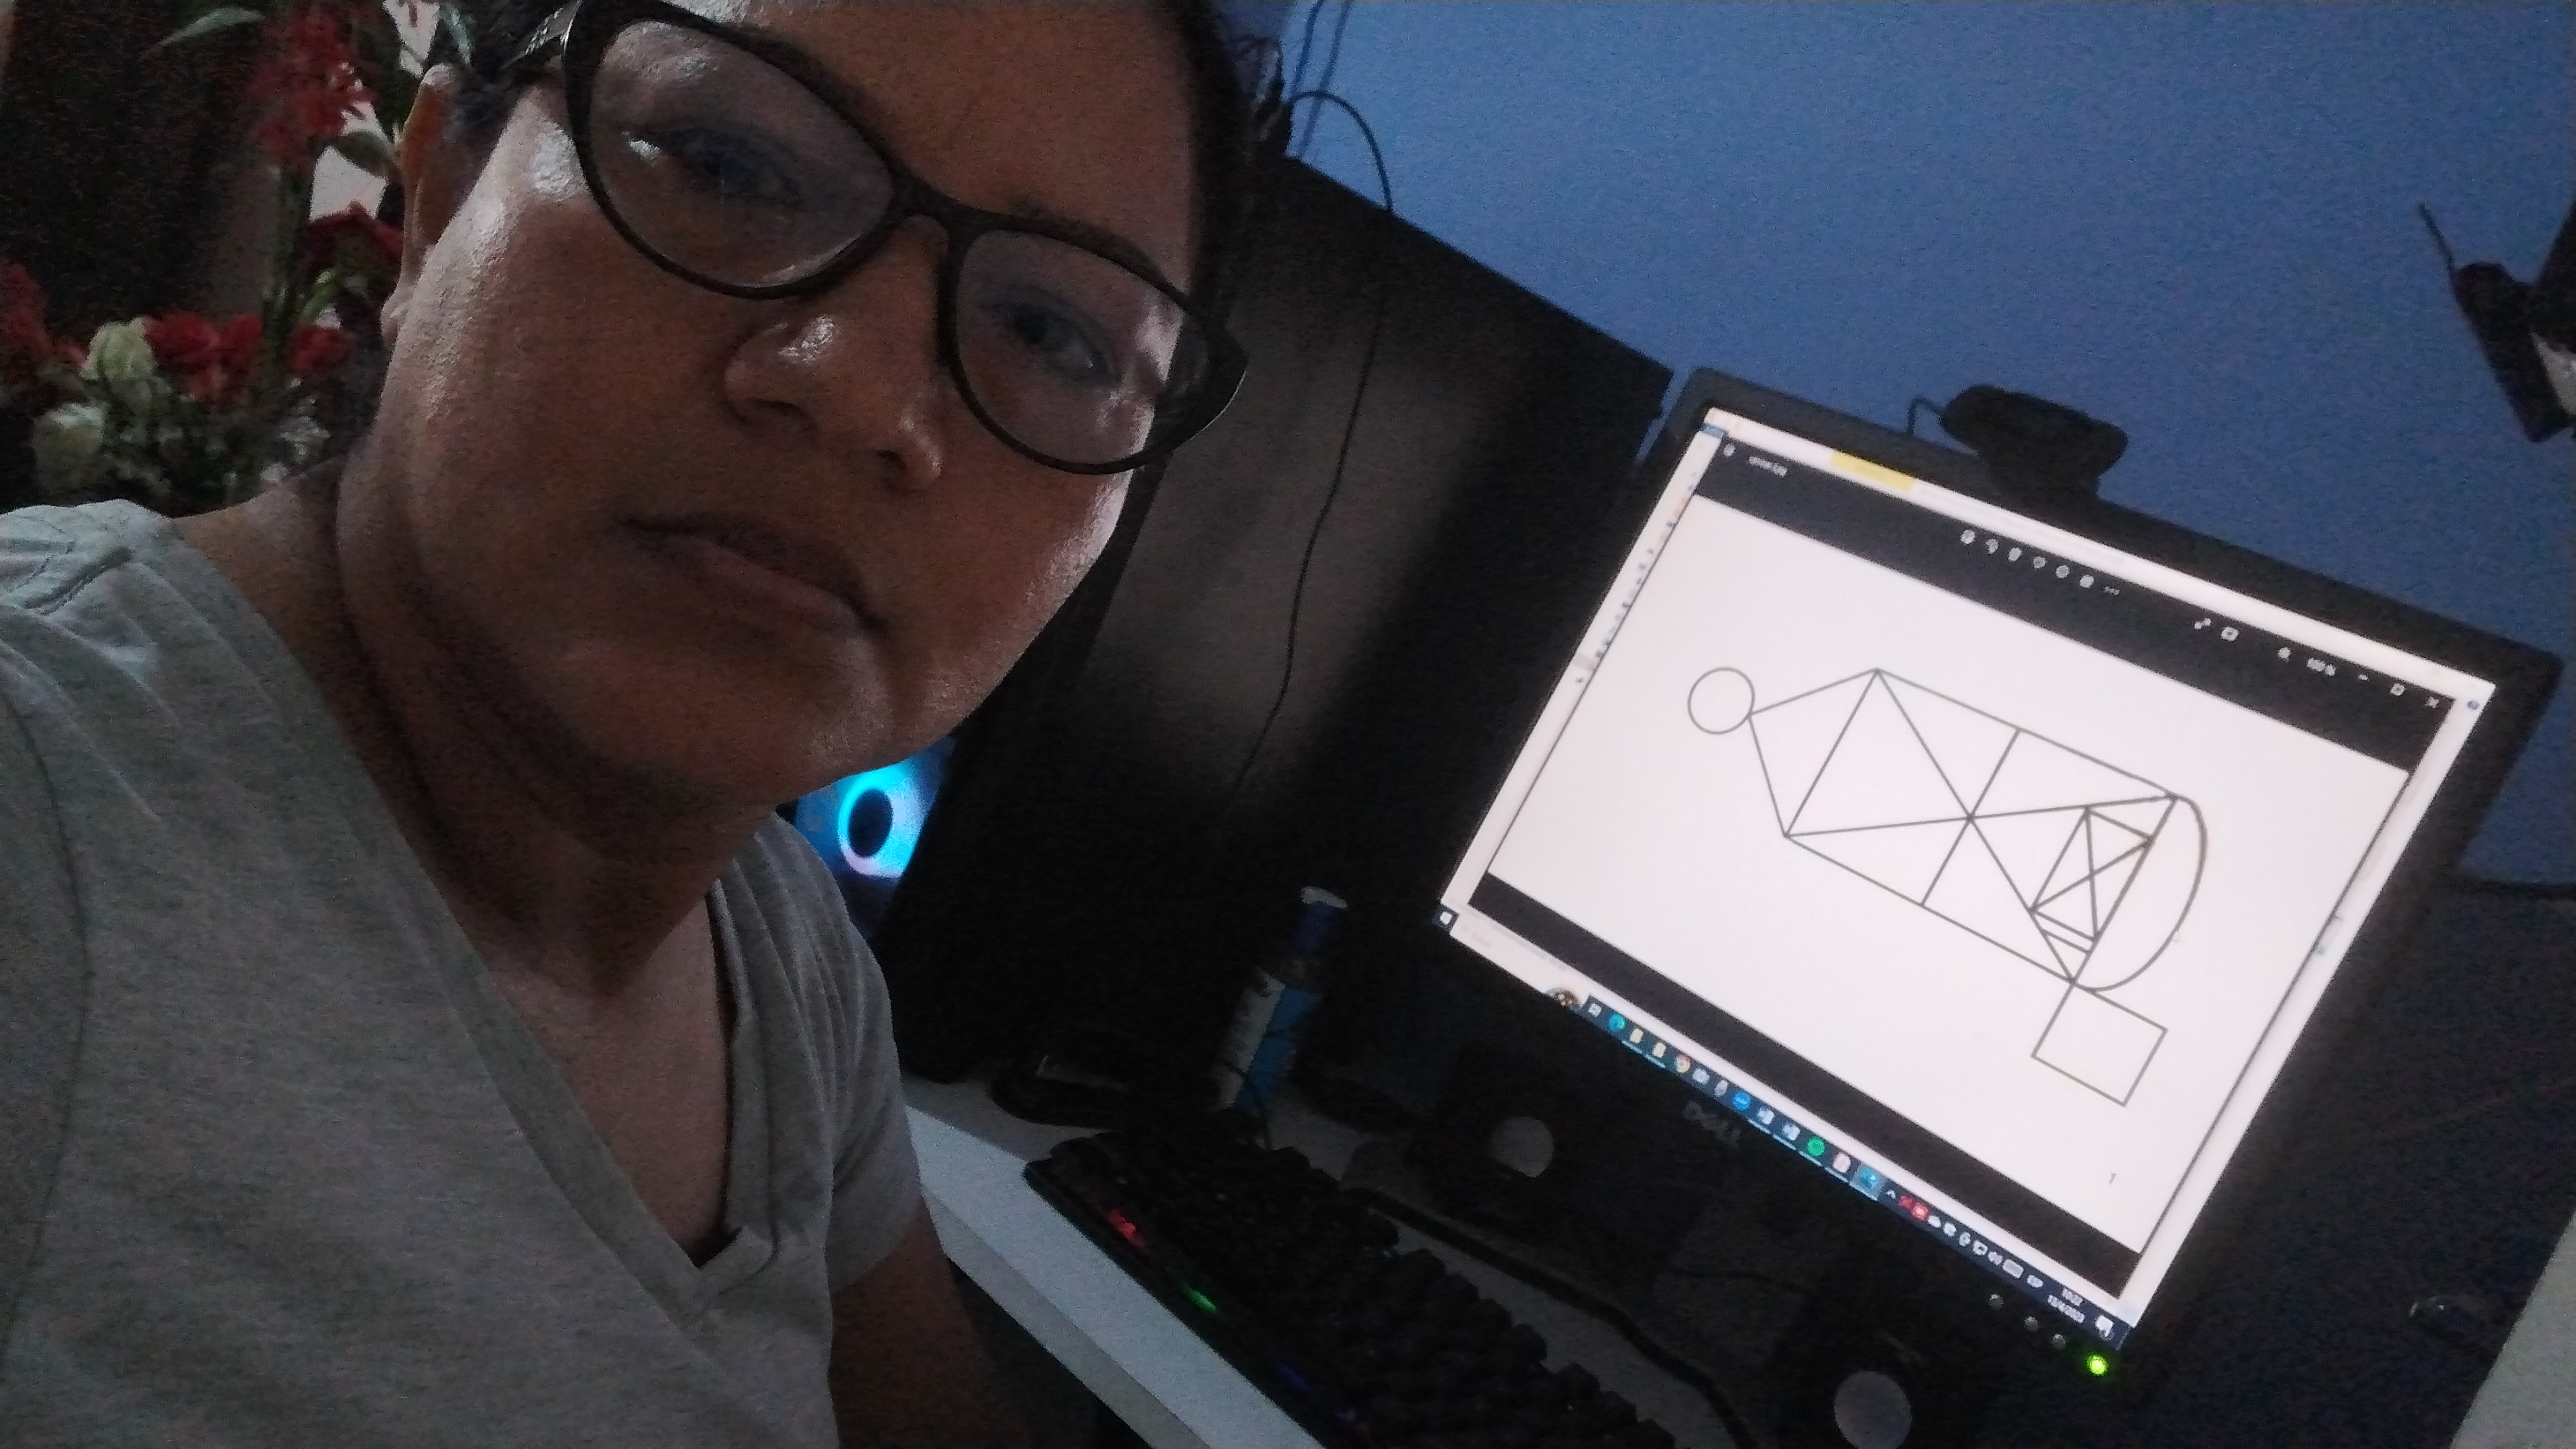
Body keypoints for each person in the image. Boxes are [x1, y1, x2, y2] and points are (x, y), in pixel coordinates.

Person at [0, 0, 1252, 1442]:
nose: (858, 391)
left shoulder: (783, 962)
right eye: (729, 165)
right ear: (437, 196)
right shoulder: (51, 809)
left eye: (1052, 332)